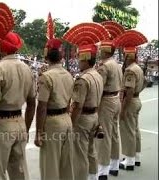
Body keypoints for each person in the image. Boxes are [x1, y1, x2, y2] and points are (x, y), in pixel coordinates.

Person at [0, 3, 36, 180]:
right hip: (19, 122)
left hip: (0, 125)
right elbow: (33, 102)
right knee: (19, 172)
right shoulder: (28, 69)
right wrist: (25, 127)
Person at [35, 37, 74, 180]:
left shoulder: (46, 77)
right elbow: (69, 101)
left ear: (46, 54)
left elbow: (42, 107)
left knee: (49, 165)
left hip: (53, 123)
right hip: (66, 119)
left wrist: (39, 132)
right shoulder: (69, 75)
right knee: (66, 165)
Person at [114, 30, 148, 171]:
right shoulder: (138, 68)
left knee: (127, 130)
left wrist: (123, 109)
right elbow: (145, 83)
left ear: (128, 55)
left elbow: (128, 91)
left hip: (130, 101)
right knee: (135, 129)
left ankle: (129, 160)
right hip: (137, 99)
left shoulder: (130, 70)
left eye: (125, 55)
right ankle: (136, 157)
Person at [70, 44, 103, 180]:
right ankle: (93, 176)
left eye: (79, 59)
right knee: (91, 150)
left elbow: (77, 105)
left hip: (83, 118)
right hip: (95, 115)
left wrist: (71, 123)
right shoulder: (98, 75)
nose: (78, 61)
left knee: (80, 153)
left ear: (85, 59)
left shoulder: (83, 79)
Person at [96, 40, 123, 179]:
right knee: (114, 134)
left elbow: (98, 88)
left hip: (106, 101)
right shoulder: (116, 64)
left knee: (103, 135)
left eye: (101, 49)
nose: (99, 51)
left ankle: (103, 170)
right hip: (116, 99)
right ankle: (114, 165)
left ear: (106, 51)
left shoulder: (104, 66)